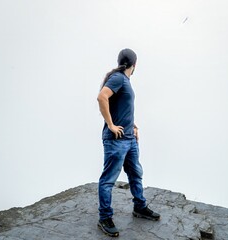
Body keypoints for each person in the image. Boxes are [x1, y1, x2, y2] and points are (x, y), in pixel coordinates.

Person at [96, 48, 160, 237]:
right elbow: (102, 97)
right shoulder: (118, 79)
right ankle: (104, 218)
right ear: (134, 64)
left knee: (135, 173)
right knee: (108, 180)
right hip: (116, 140)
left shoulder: (124, 81)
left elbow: (122, 108)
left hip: (129, 139)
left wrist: (133, 125)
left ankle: (139, 207)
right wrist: (111, 125)